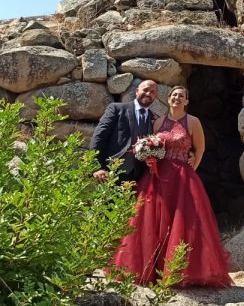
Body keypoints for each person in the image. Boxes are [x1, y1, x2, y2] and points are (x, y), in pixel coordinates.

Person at [113, 85, 233, 288]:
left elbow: (200, 149)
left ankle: (179, 271)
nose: (177, 98)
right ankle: (149, 270)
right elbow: (151, 144)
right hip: (158, 176)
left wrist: (191, 169)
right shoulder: (158, 121)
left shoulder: (193, 121)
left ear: (186, 101)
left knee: (184, 222)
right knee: (151, 221)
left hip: (182, 178)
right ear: (168, 99)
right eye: (174, 95)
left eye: (181, 96)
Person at [91, 80, 159, 184]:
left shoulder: (155, 119)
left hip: (138, 177)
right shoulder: (117, 109)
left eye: (153, 92)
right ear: (137, 91)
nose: (148, 93)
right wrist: (97, 167)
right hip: (110, 171)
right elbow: (99, 137)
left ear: (156, 96)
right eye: (145, 90)